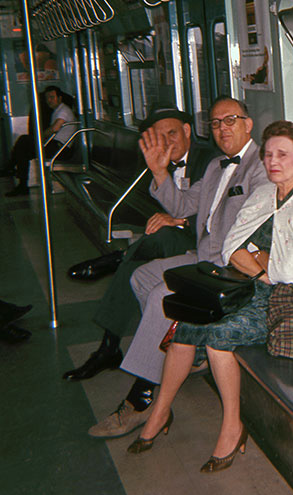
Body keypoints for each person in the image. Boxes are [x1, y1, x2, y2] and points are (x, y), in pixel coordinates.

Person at [127, 120, 293, 473]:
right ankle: (159, 413)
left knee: (218, 339)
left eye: (283, 154)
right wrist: (258, 264)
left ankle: (232, 426)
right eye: (268, 154)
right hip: (251, 286)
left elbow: (289, 272)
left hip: (284, 300)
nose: (272, 161)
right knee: (186, 324)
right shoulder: (266, 193)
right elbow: (230, 246)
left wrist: (255, 260)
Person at [88, 97, 267, 439]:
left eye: (230, 120)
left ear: (248, 123)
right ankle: (182, 349)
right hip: (203, 257)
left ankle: (142, 399)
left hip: (232, 267)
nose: (222, 129)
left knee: (160, 297)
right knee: (142, 276)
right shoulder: (215, 166)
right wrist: (159, 171)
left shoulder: (261, 167)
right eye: (215, 123)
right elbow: (183, 205)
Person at [63, 105, 216, 381]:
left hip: (205, 246)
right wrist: (163, 187)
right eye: (160, 137)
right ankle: (111, 344)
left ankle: (109, 346)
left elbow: (206, 214)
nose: (167, 142)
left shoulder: (209, 160)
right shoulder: (159, 160)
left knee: (155, 240)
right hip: (173, 240)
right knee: (139, 260)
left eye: (172, 133)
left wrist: (177, 220)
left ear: (187, 131)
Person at [5, 85, 77, 197]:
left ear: (60, 98)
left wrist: (40, 136)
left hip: (60, 149)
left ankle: (12, 169)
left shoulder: (63, 111)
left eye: (52, 97)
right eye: (47, 98)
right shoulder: (58, 110)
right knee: (24, 151)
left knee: (24, 141)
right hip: (55, 146)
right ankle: (21, 182)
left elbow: (55, 128)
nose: (49, 100)